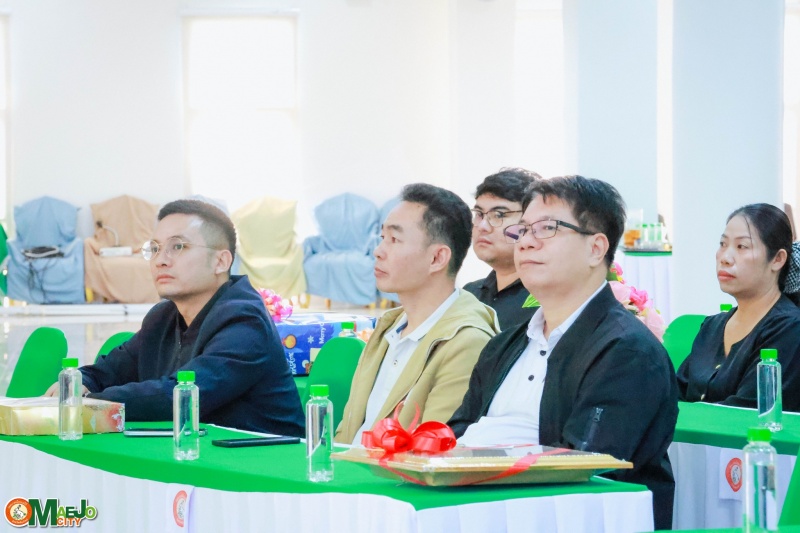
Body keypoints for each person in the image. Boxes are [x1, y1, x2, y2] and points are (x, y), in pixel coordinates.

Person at [448, 176, 678, 530]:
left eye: (547, 228)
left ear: (596, 249)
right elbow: (456, 433)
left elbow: (586, 468)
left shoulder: (627, 351)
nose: (526, 242)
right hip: (477, 511)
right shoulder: (503, 346)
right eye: (523, 230)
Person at [45, 199, 305, 437]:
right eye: (155, 248)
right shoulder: (163, 316)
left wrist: (91, 401)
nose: (160, 260)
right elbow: (111, 370)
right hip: (199, 455)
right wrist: (82, 382)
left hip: (264, 461)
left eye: (178, 246)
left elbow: (182, 395)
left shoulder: (245, 321)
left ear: (221, 261)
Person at [335, 183, 500, 445]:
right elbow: (348, 431)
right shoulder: (389, 327)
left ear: (437, 258)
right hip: (352, 467)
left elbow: (430, 451)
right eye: (382, 238)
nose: (378, 251)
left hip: (389, 472)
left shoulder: (468, 342)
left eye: (394, 240)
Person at [677, 203, 800, 411]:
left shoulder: (790, 329)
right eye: (723, 244)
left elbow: (747, 412)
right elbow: (674, 395)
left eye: (742, 246)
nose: (725, 258)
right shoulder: (711, 326)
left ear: (777, 259)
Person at [463, 168, 542, 329]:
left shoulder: (547, 297)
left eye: (499, 215)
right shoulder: (468, 294)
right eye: (479, 214)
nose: (483, 226)